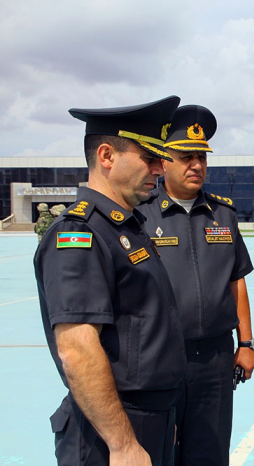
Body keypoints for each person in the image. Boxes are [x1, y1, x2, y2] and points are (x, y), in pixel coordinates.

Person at [34, 96, 187, 465]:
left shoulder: (126, 225)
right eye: (149, 158)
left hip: (148, 419)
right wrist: (122, 444)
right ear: (106, 156)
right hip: (111, 431)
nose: (159, 170)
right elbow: (77, 349)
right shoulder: (79, 234)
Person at [137, 104, 254, 465]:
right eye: (186, 157)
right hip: (161, 360)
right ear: (164, 162)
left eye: (202, 158)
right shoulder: (140, 216)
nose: (197, 166)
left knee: (210, 452)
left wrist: (247, 343)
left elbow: (237, 281)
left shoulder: (223, 215)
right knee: (161, 453)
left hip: (216, 362)